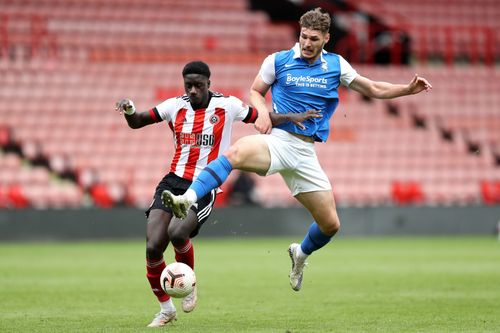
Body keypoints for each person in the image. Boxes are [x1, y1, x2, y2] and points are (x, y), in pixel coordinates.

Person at [161, 8, 432, 292]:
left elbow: (373, 87)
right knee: (235, 153)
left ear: (326, 38)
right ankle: (187, 199)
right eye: (303, 36)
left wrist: (407, 89)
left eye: (314, 38)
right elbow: (255, 91)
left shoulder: (336, 66)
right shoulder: (277, 60)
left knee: (330, 225)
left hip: (304, 153)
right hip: (279, 141)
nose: (306, 43)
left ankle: (300, 254)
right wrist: (262, 113)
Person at [115, 61, 320, 327]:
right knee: (153, 245)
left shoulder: (227, 105)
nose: (193, 91)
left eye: (198, 86)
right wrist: (129, 109)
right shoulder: (174, 106)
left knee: (177, 233)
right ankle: (166, 309)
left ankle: (189, 282)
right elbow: (138, 122)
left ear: (208, 84)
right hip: (172, 180)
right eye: (188, 85)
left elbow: (261, 117)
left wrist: (291, 118)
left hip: (204, 184)